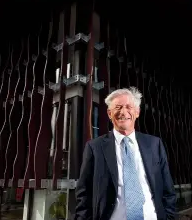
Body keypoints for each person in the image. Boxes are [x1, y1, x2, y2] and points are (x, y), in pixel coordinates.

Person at [75, 87, 176, 220]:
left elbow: (168, 189)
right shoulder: (95, 147)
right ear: (109, 113)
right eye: (118, 107)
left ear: (137, 112)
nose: (123, 112)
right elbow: (84, 193)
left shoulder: (154, 144)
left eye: (129, 107)